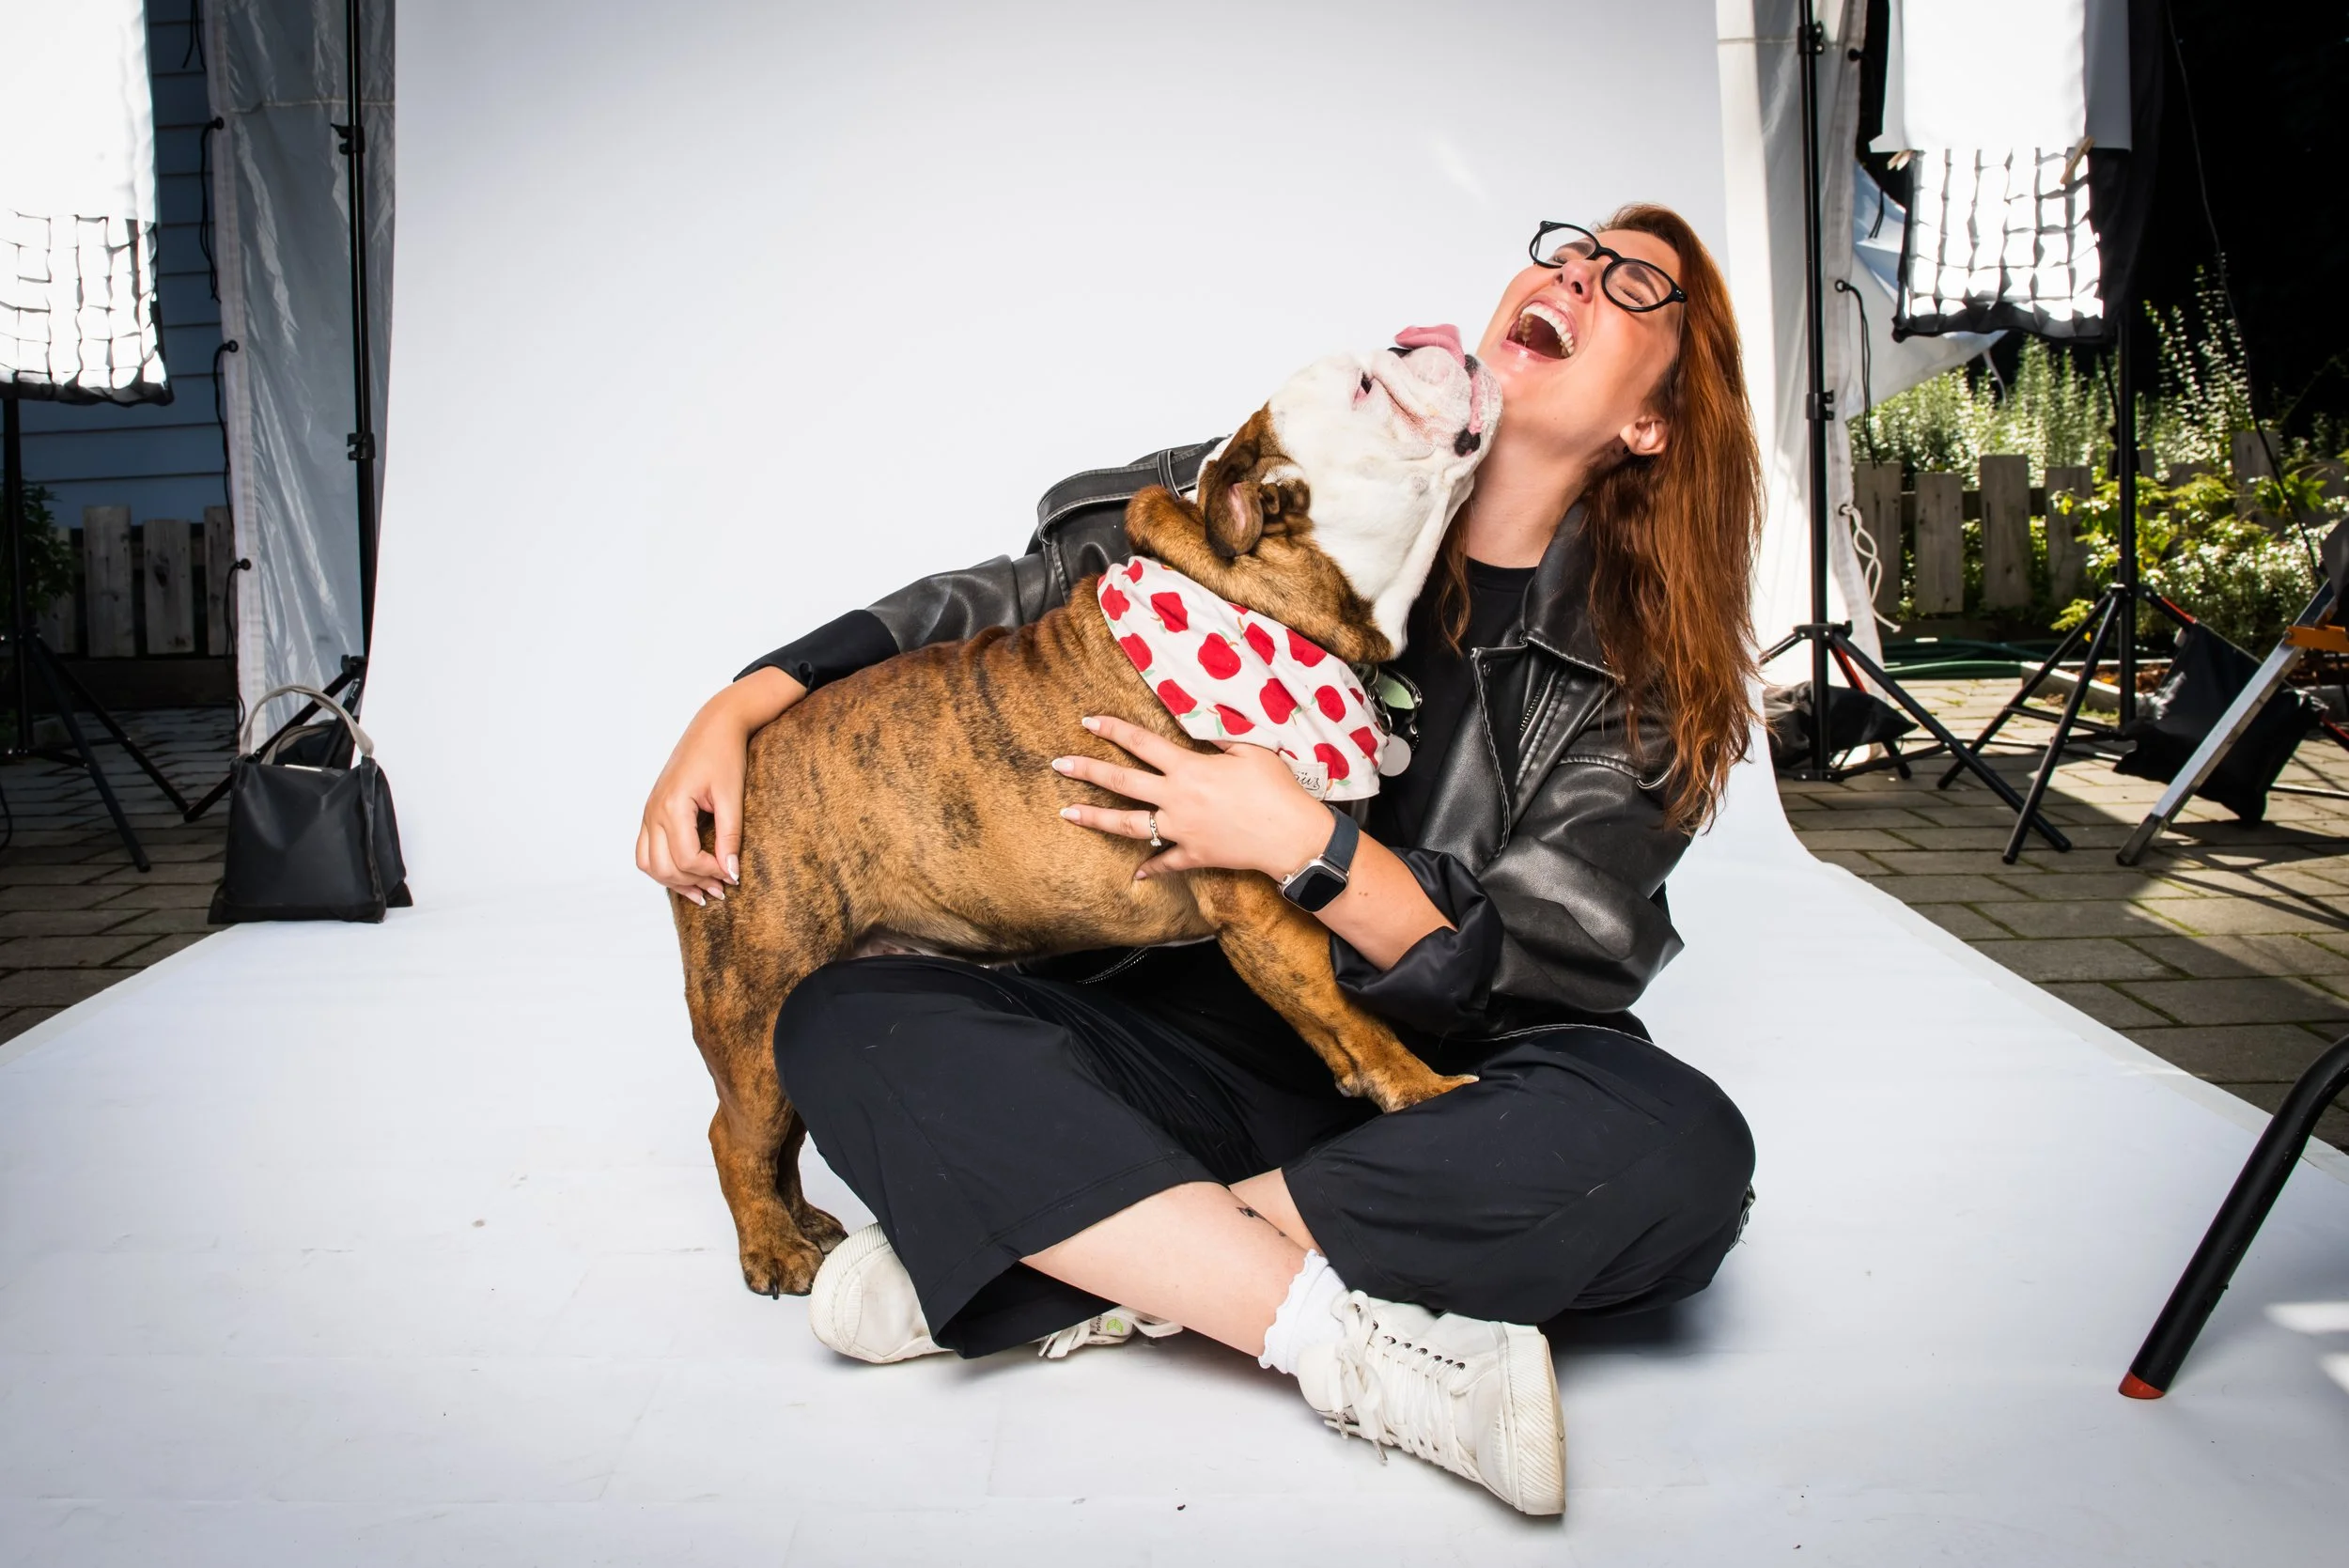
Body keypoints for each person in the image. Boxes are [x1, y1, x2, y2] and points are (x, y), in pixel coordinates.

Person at [636, 204, 1761, 1516]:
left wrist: (1309, 846)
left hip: (1431, 1070)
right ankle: (1311, 1322)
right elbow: (1004, 596)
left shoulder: (1638, 685)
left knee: (1686, 1156)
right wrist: (743, 700)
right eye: (1567, 249)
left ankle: (1100, 1251)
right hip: (1168, 1037)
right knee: (847, 1018)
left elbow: (1553, 970)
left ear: (1654, 424)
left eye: (1630, 284)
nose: (1574, 271)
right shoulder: (1312, 468)